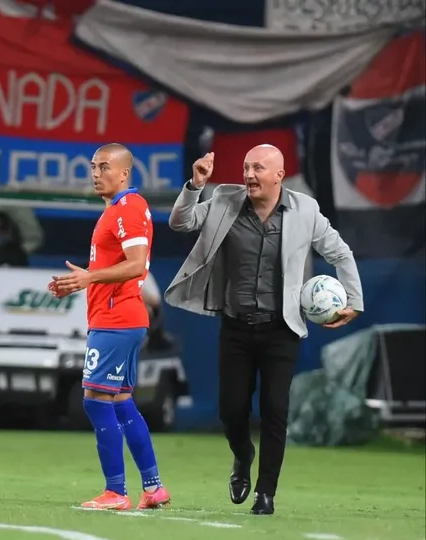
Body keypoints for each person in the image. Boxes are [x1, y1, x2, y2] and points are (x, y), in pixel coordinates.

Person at [165, 145, 363, 515]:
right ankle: (242, 456)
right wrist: (195, 185)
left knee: (276, 411)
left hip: (281, 330)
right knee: (231, 410)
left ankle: (265, 492)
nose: (249, 174)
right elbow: (181, 223)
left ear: (279, 174)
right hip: (236, 327)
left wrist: (354, 300)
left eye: (258, 168)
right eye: (245, 167)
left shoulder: (306, 210)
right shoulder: (225, 200)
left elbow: (340, 253)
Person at [49, 143, 170, 511]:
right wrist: (81, 282)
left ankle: (116, 492)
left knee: (95, 401)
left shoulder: (128, 209)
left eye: (104, 167)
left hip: (117, 319)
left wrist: (90, 279)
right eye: (92, 167)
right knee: (120, 402)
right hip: (120, 318)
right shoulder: (118, 210)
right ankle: (153, 488)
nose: (96, 173)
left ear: (123, 173)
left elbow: (136, 265)